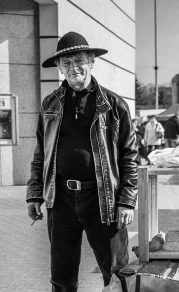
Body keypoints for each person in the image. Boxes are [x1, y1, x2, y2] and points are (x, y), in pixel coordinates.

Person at [26, 32, 137, 291]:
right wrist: (34, 194)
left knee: (116, 270)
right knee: (61, 275)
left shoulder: (114, 104)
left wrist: (126, 201)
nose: (73, 67)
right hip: (61, 199)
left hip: (104, 200)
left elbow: (129, 154)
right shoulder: (49, 104)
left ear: (91, 62)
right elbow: (40, 152)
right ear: (59, 67)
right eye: (67, 63)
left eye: (79, 61)